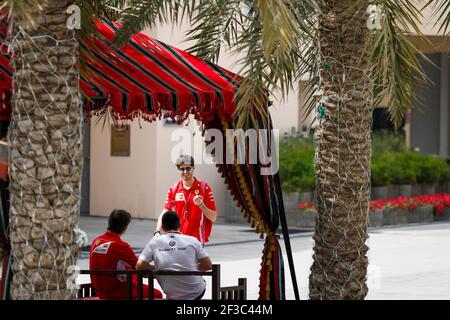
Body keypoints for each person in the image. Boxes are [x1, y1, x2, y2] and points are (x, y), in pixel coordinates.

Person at [137, 211, 212, 300]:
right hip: (195, 292)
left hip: (172, 294)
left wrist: (158, 270)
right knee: (201, 282)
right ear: (179, 225)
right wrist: (189, 269)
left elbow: (139, 266)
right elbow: (208, 265)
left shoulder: (155, 242)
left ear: (163, 227)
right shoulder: (193, 241)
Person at [89, 209, 162, 299]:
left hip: (100, 290)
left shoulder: (96, 241)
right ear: (125, 228)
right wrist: (160, 269)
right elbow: (141, 266)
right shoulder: (120, 246)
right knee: (158, 295)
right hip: (116, 292)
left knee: (134, 275)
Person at [155, 155, 217, 245]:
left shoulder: (204, 188)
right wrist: (157, 232)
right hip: (177, 241)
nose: (185, 172)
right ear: (178, 170)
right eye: (181, 169)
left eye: (188, 168)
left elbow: (213, 217)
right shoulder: (174, 189)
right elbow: (165, 212)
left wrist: (201, 205)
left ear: (193, 168)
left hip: (197, 242)